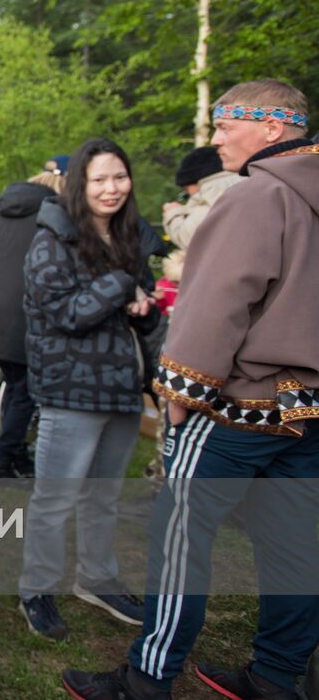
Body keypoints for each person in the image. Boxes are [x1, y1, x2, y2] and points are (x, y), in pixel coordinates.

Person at [66, 80, 319, 700]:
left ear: (272, 126)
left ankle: (147, 678)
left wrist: (180, 385)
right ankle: (276, 677)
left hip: (238, 402)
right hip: (309, 406)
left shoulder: (258, 198)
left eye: (226, 122)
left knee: (180, 534)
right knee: (296, 545)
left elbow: (217, 301)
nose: (215, 137)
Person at [16, 138, 160, 644]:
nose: (111, 188)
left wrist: (147, 309)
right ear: (80, 184)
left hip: (121, 387)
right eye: (99, 179)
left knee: (104, 497)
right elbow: (65, 314)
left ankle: (97, 578)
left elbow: (133, 307)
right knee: (55, 501)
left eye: (119, 177)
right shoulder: (53, 238)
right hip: (70, 390)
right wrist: (123, 286)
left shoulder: (129, 236)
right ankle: (36, 588)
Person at [0, 169, 64, 481]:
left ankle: (14, 452)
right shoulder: (52, 218)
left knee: (15, 384)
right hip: (24, 319)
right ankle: (3, 462)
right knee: (25, 391)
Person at [159, 145, 243, 282]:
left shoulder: (208, 196)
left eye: (186, 189)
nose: (188, 194)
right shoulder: (248, 183)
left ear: (194, 181)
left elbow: (189, 239)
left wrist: (172, 213)